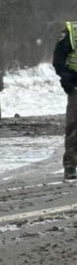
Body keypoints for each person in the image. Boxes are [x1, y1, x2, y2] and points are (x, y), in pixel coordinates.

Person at [53, 22, 77, 180]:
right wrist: (67, 81)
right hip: (76, 85)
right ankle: (70, 165)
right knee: (74, 127)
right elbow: (58, 60)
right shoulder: (71, 32)